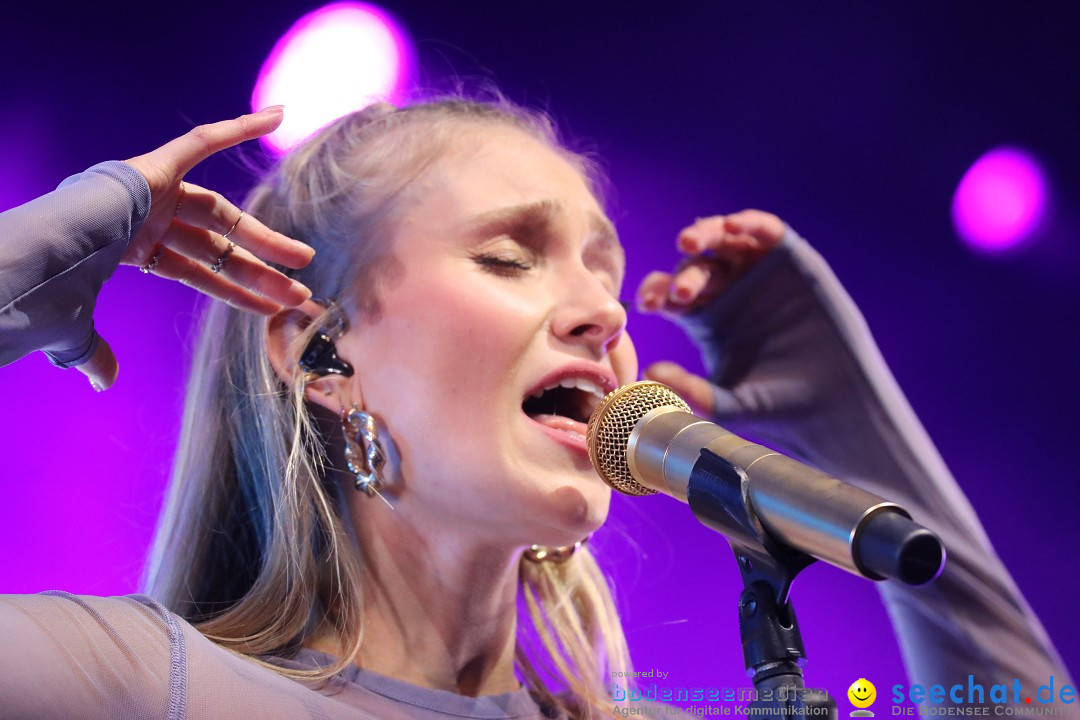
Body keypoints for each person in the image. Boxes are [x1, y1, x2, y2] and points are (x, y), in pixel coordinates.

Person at [0, 101, 1073, 720]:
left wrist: (851, 428)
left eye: (608, 272)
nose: (603, 311)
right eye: (509, 256)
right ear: (318, 350)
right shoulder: (142, 689)